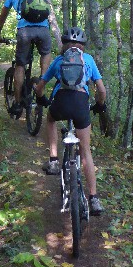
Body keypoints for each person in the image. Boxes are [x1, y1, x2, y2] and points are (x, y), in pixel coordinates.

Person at [34, 26, 106, 216]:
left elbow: (40, 87)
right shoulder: (88, 60)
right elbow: (102, 91)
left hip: (61, 103)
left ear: (64, 44)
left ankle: (54, 161)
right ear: (82, 45)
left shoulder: (58, 60)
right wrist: (100, 105)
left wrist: (41, 99)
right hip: (81, 105)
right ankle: (94, 198)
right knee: (85, 152)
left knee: (50, 119)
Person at [0, 0, 52, 118]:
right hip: (43, 31)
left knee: (20, 65)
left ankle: (18, 102)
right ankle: (41, 82)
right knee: (46, 53)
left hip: (25, 32)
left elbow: (2, 17)